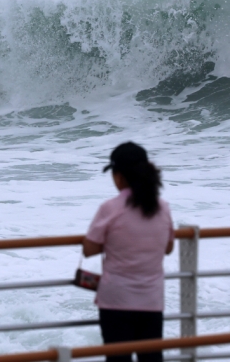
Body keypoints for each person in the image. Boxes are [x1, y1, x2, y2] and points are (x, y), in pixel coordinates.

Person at [83, 142, 174, 362]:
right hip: (151, 300)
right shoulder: (162, 207)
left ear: (119, 176)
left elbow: (89, 249)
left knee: (118, 359)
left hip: (116, 300)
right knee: (151, 358)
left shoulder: (111, 208)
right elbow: (168, 247)